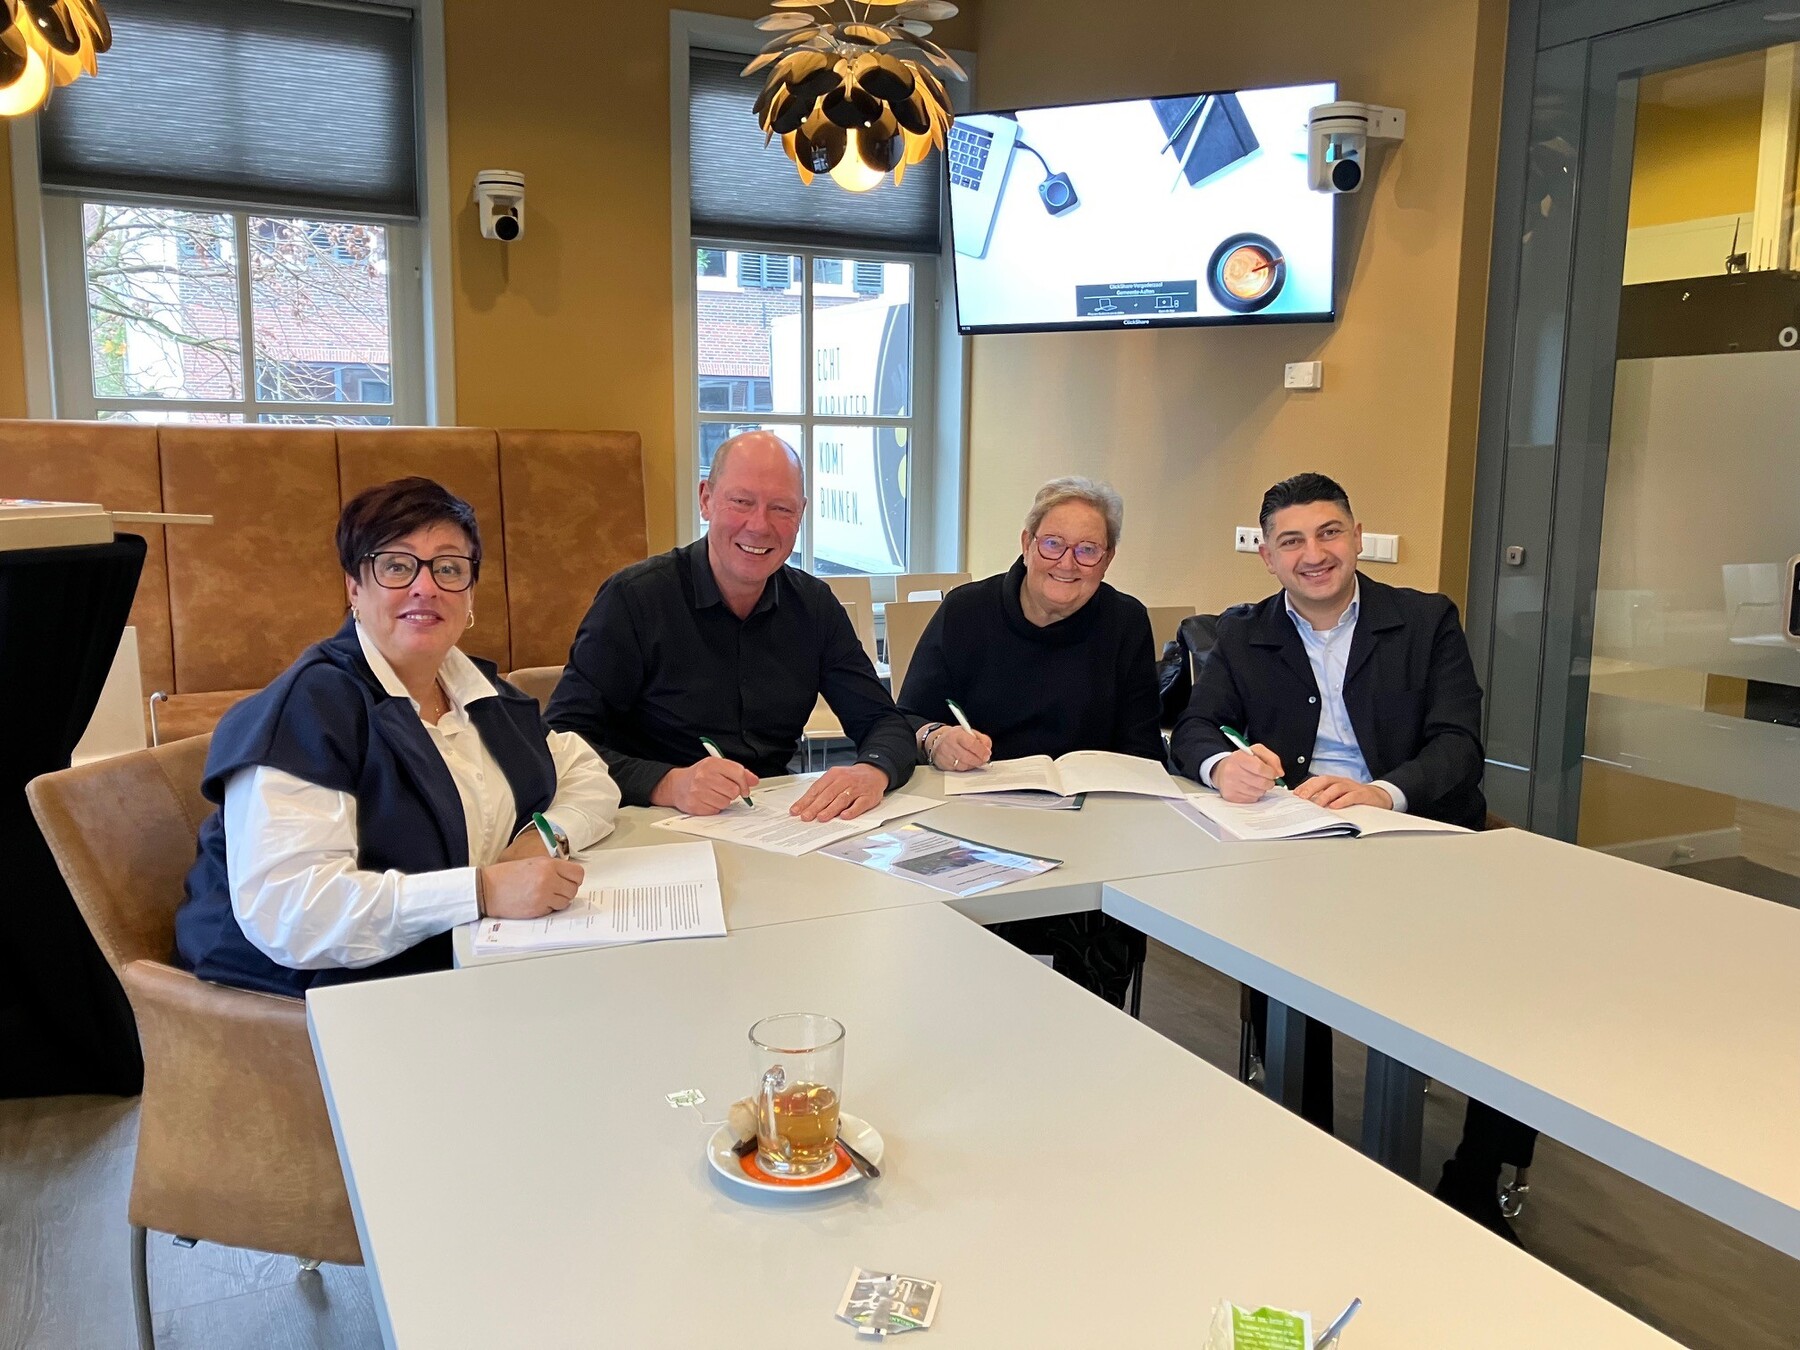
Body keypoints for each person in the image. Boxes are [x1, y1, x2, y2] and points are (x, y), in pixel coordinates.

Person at [1169, 471, 1535, 1241]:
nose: (1315, 554)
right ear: (1267, 556)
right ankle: (1307, 1155)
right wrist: (1222, 765)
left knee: (1513, 979)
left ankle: (1476, 1178)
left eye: (1329, 532)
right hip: (1303, 848)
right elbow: (1196, 729)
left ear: (1357, 537)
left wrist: (1384, 793)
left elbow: (1458, 745)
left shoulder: (1426, 620)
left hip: (1420, 837)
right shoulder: (1242, 633)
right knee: (1289, 962)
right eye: (1292, 540)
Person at [175, 477, 619, 996]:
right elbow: (296, 912)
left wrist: (538, 841)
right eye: (396, 566)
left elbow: (587, 775)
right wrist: (480, 891)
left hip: (458, 960)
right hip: (311, 996)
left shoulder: (476, 692)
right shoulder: (310, 709)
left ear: (470, 592)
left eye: (448, 568)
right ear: (354, 588)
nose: (425, 587)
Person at [547, 430, 914, 820]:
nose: (759, 525)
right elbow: (559, 740)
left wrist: (872, 771)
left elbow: (883, 721)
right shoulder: (634, 599)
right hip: (649, 821)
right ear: (706, 499)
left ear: (801, 514)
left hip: (774, 821)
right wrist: (665, 783)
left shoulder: (814, 606)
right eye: (741, 501)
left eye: (781, 508)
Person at [899, 476, 1162, 1005]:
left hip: (1085, 834)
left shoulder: (1125, 621)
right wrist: (936, 738)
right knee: (962, 976)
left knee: (1092, 950)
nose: (1067, 563)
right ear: (1026, 543)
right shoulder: (967, 611)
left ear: (1108, 559)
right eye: (1053, 544)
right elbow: (904, 718)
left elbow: (1142, 747)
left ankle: (1082, 1034)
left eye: (1087, 550)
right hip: (970, 829)